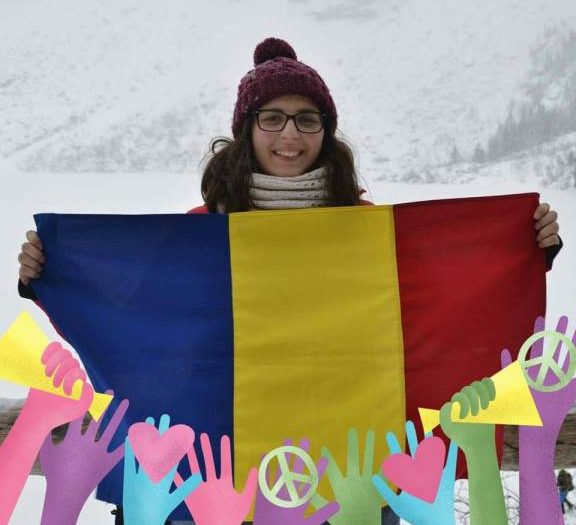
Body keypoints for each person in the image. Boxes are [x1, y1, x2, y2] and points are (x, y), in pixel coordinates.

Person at [17, 37, 563, 525]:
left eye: (307, 120)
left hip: (350, 475)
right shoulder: (201, 236)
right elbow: (133, 321)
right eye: (272, 118)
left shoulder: (367, 232)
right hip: (218, 474)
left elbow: (447, 300)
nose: (290, 135)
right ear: (247, 130)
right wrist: (52, 275)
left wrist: (523, 247)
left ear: (325, 132)